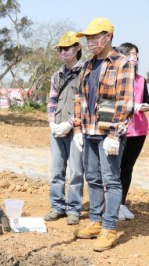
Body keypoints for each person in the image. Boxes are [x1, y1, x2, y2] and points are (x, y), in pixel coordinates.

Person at [73, 18, 134, 251]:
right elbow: (79, 97)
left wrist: (115, 134)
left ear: (108, 36)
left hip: (109, 134)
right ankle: (95, 223)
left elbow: (125, 101)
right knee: (93, 178)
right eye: (87, 38)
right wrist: (78, 129)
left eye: (94, 37)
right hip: (88, 131)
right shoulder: (87, 65)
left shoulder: (122, 63)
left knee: (111, 180)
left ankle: (109, 228)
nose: (90, 42)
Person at [44, 31, 84, 225]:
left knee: (76, 170)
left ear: (77, 48)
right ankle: (56, 206)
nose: (63, 52)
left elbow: (86, 102)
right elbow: (52, 101)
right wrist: (52, 122)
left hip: (76, 130)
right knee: (56, 170)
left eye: (67, 48)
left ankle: (74, 209)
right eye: (60, 49)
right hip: (57, 129)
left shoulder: (86, 72)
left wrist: (70, 124)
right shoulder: (57, 75)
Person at [117, 43, 149, 220]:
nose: (134, 57)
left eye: (136, 54)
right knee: (115, 168)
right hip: (121, 129)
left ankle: (122, 204)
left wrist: (144, 106)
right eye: (130, 54)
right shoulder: (117, 78)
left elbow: (146, 101)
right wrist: (133, 107)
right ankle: (112, 205)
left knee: (128, 168)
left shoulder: (141, 80)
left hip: (140, 130)